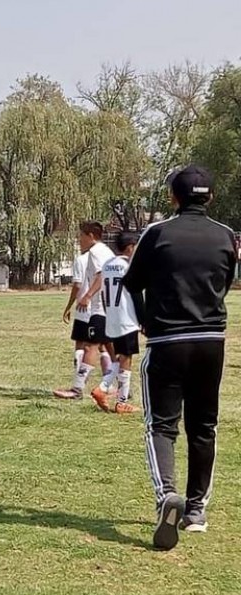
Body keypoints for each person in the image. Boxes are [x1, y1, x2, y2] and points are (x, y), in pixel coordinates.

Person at [124, 165, 236, 551]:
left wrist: (145, 322)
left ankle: (167, 495)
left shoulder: (156, 234)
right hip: (211, 341)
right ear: (210, 198)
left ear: (173, 196)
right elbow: (224, 283)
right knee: (204, 426)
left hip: (168, 340)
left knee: (161, 425)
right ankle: (196, 510)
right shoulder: (225, 236)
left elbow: (131, 284)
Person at [54, 222, 115, 400]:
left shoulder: (96, 252)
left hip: (100, 308)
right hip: (110, 307)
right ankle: (122, 388)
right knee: (111, 348)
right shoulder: (107, 251)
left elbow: (101, 275)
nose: (79, 240)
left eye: (81, 235)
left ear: (90, 236)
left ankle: (77, 389)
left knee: (90, 346)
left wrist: (88, 295)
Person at [90, 231, 144, 414]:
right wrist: (143, 320)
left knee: (120, 357)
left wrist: (109, 314)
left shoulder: (107, 265)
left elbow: (105, 294)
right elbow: (136, 294)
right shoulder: (128, 267)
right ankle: (119, 400)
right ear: (130, 247)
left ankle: (104, 388)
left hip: (112, 316)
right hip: (127, 317)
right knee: (126, 358)